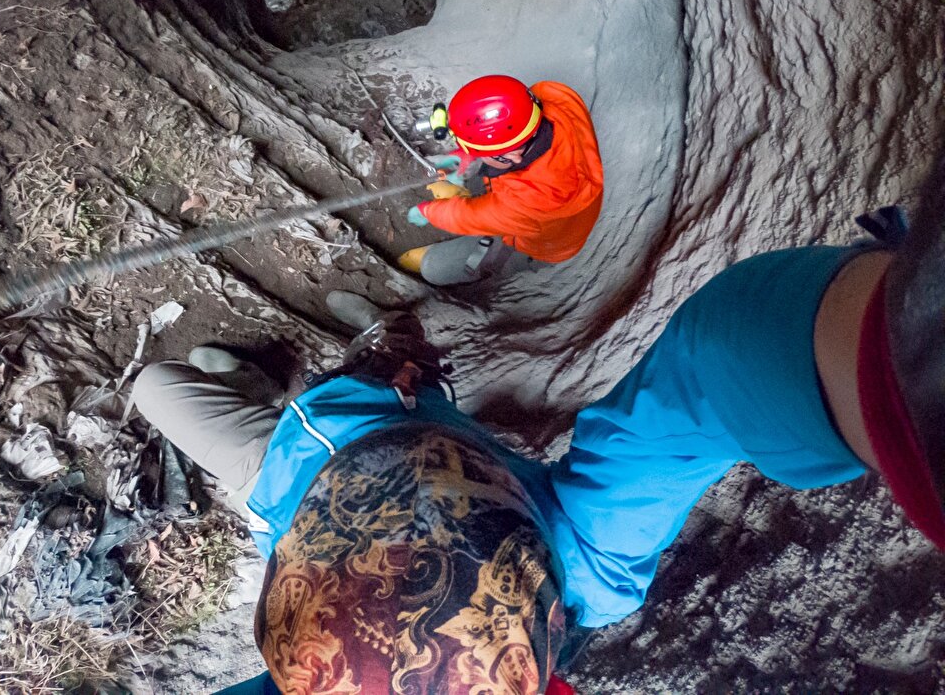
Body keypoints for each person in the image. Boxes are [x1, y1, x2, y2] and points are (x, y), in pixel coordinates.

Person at [129, 154, 945, 694]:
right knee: (180, 390)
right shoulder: (584, 557)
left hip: (321, 453)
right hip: (402, 456)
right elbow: (722, 361)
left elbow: (723, 358)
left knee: (158, 389)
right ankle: (386, 359)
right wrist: (899, 351)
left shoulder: (322, 508)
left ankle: (308, 373)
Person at [400, 75, 603, 286]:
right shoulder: (556, 95)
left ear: (512, 155)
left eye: (477, 151)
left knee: (432, 268)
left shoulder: (532, 201)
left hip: (546, 245)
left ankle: (512, 262)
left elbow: (468, 216)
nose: (472, 154)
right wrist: (470, 150)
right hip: (553, 210)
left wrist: (428, 211)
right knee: (486, 177)